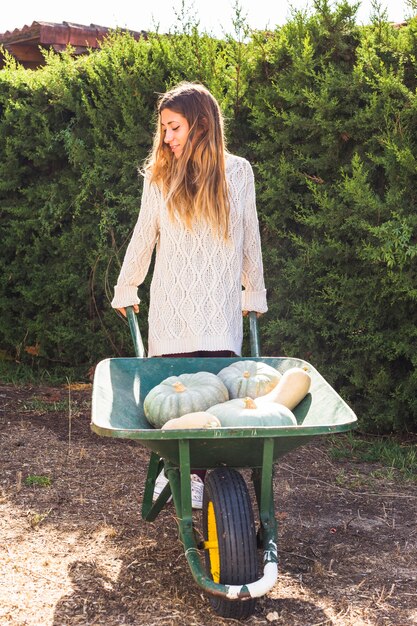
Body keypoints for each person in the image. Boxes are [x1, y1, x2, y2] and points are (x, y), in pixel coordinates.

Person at [111, 82, 267, 506]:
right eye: (163, 129)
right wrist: (128, 284)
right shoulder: (160, 178)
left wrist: (254, 292)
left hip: (219, 315)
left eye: (174, 127)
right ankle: (181, 470)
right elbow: (145, 234)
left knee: (216, 405)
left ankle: (200, 476)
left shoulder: (238, 173)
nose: (166, 138)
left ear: (200, 125)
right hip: (172, 312)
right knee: (173, 402)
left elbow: (249, 238)